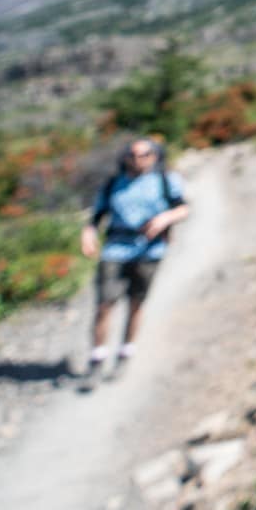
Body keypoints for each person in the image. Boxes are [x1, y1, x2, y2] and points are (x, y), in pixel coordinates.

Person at [78, 137, 189, 380]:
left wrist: (165, 219)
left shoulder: (165, 180)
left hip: (149, 250)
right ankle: (97, 358)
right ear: (125, 157)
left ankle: (125, 354)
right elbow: (97, 215)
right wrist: (89, 233)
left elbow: (183, 207)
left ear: (155, 156)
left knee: (136, 303)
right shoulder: (113, 184)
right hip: (115, 248)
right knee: (104, 304)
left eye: (145, 155)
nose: (139, 160)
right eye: (134, 155)